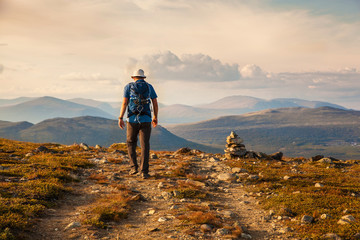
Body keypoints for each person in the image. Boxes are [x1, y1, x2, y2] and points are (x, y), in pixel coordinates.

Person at [118, 69, 158, 179]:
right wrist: (155, 117)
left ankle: (133, 168)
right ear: (143, 77)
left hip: (132, 120)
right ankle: (144, 171)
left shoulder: (128, 87)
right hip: (146, 119)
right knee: (145, 145)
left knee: (131, 143)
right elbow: (154, 102)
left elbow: (125, 102)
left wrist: (120, 117)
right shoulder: (149, 87)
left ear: (133, 77)